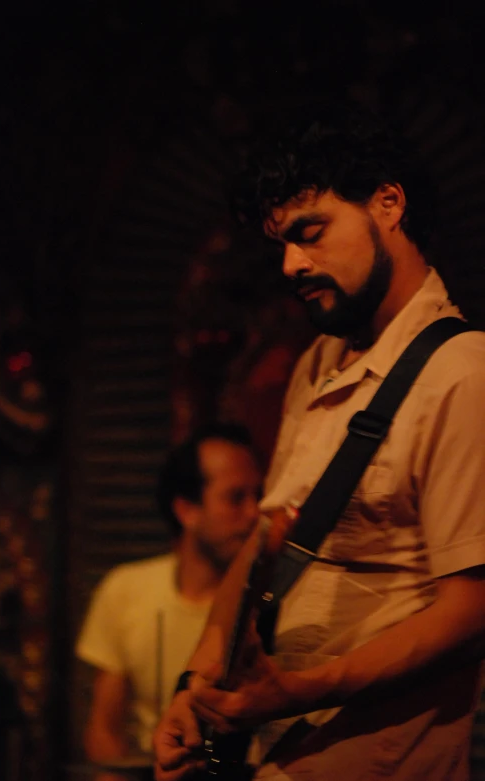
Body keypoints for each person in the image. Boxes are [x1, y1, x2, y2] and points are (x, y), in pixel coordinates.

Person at [152, 99, 485, 781]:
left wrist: (307, 687)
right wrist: (197, 681)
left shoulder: (464, 371)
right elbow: (267, 539)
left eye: (311, 231)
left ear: (388, 205)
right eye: (281, 243)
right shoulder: (317, 361)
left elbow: (472, 610)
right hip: (275, 749)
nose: (291, 264)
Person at [76, 422, 262, 772]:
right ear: (186, 510)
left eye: (258, 496)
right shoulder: (125, 589)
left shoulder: (264, 601)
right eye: (236, 497)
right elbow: (103, 727)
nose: (254, 514)